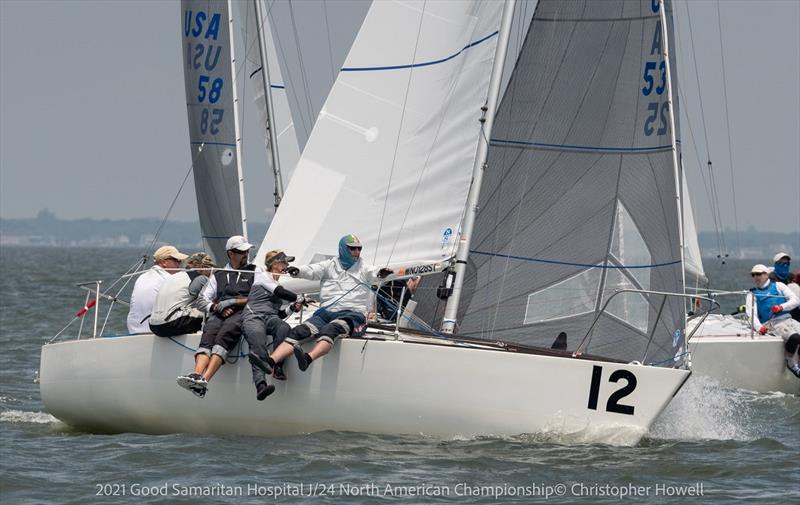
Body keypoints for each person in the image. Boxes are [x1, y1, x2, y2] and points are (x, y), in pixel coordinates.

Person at [252, 234, 392, 379]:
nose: (357, 252)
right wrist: (297, 271)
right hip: (326, 312)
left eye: (359, 249)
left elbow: (374, 273)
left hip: (353, 314)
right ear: (343, 249)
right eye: (352, 249)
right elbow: (312, 270)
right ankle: (270, 361)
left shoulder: (363, 267)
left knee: (331, 329)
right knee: (298, 331)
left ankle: (308, 358)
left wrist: (381, 273)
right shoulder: (329, 265)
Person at [176, 236, 256, 397]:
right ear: (230, 254)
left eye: (247, 251)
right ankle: (196, 375)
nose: (246, 254)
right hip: (219, 313)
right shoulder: (218, 274)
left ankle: (205, 380)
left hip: (242, 313)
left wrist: (233, 302)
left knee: (224, 335)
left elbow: (258, 296)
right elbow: (201, 300)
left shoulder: (255, 271)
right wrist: (217, 307)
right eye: (241, 252)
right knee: (208, 334)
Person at [243, 250, 305, 400]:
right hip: (253, 317)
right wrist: (299, 298)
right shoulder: (263, 277)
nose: (287, 265)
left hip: (270, 318)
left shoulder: (275, 282)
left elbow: (279, 316)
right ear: (275, 264)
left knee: (284, 327)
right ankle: (261, 386)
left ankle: (277, 366)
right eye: (284, 262)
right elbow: (280, 292)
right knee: (258, 341)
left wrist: (292, 308)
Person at [745, 264, 800, 378]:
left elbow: (795, 300)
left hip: (788, 319)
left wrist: (781, 307)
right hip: (772, 323)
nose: (756, 277)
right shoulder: (752, 294)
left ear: (767, 274)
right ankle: (790, 361)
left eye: (759, 274)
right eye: (753, 275)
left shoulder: (779, 286)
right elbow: (751, 315)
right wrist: (759, 327)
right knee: (795, 337)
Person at [148, 252, 215, 337]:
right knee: (214, 313)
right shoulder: (200, 278)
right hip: (171, 323)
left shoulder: (174, 276)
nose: (211, 272)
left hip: (153, 325)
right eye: (209, 268)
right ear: (202, 268)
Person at [127, 245, 188, 334]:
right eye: (177, 261)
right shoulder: (169, 279)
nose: (179, 264)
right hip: (154, 330)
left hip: (134, 329)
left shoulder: (142, 277)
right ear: (164, 262)